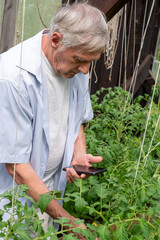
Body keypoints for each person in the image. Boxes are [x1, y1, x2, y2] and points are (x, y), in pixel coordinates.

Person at [0, 1, 108, 238]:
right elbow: (16, 167)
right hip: (14, 207)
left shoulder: (72, 65)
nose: (85, 71)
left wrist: (78, 154)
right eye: (80, 60)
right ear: (56, 40)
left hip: (50, 199)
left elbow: (77, 118)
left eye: (91, 61)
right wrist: (68, 220)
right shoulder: (12, 78)